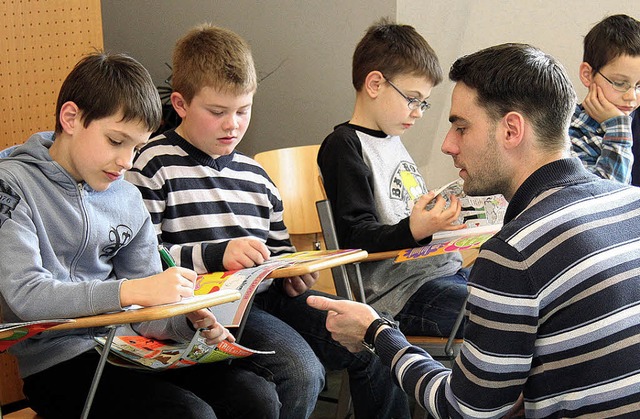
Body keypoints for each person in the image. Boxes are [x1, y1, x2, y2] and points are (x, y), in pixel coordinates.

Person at [308, 43, 640, 418]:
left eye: (461, 127)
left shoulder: (515, 252)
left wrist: (375, 333)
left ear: (511, 129)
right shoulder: (632, 201)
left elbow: (464, 411)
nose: (448, 145)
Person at [126, 23, 410, 418]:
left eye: (243, 111)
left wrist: (295, 272)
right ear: (180, 104)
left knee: (374, 337)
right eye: (217, 112)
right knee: (301, 372)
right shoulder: (150, 164)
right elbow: (144, 260)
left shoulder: (254, 175)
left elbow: (278, 252)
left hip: (267, 298)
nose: (233, 124)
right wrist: (217, 254)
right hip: (208, 310)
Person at [0, 52, 269, 419]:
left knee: (255, 397)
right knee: (189, 415)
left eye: (136, 147)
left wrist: (186, 321)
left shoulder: (126, 196)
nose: (127, 161)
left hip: (129, 347)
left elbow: (147, 313)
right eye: (115, 141)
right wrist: (129, 291)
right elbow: (27, 296)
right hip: (59, 363)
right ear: (71, 118)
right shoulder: (12, 184)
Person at [317, 18, 469, 338]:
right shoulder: (345, 146)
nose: (418, 112)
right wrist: (415, 230)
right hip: (399, 293)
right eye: (412, 99)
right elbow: (355, 236)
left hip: (443, 271)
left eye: (423, 103)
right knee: (494, 317)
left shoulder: (392, 139)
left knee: (521, 294)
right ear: (375, 84)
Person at [569, 14, 640, 184]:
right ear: (587, 75)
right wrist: (618, 130)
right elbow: (607, 202)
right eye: (619, 83)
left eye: (639, 85)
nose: (631, 96)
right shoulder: (569, 134)